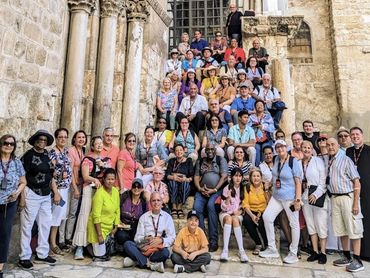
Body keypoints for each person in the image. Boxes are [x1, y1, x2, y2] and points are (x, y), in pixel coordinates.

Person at [19, 130, 58, 269]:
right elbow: (21, 177)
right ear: (35, 141)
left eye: (44, 140)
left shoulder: (48, 155)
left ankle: (42, 253)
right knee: (27, 226)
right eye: (39, 139)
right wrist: (22, 198)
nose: (42, 142)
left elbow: (51, 175)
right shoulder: (28, 156)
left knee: (45, 224)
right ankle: (24, 257)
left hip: (46, 194)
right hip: (31, 193)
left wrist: (55, 192)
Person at [259, 139, 302, 264]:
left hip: (290, 198)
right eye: (277, 147)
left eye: (281, 146)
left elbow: (298, 182)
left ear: (286, 147)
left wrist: (297, 200)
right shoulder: (277, 159)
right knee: (267, 217)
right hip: (277, 196)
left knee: (294, 224)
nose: (279, 149)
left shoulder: (293, 161)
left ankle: (293, 252)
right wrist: (270, 183)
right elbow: (276, 174)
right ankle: (272, 248)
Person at [326, 137, 364, 272]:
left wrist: (355, 204)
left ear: (338, 146)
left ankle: (358, 260)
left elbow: (357, 182)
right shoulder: (330, 161)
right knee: (341, 229)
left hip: (348, 198)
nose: (330, 147)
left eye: (333, 144)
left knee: (353, 229)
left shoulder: (346, 160)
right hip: (335, 199)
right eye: (328, 145)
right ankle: (347, 256)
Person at [73, 136, 111, 260]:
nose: (100, 145)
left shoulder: (107, 160)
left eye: (101, 143)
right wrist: (94, 179)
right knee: (84, 215)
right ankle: (79, 246)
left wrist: (103, 166)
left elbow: (110, 175)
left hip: (101, 191)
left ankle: (92, 244)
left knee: (97, 216)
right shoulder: (87, 159)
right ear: (93, 146)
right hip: (89, 189)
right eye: (97, 143)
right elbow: (85, 176)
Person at [123, 192, 176, 273]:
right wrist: (145, 238)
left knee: (165, 253)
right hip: (145, 248)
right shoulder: (143, 217)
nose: (156, 203)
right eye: (153, 200)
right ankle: (150, 264)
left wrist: (161, 240)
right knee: (128, 244)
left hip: (158, 249)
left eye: (158, 200)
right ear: (150, 203)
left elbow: (172, 238)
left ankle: (136, 261)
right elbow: (137, 238)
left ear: (162, 202)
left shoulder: (167, 217)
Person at [193, 143, 228, 252]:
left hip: (216, 191)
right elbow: (196, 176)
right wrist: (199, 188)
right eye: (207, 149)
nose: (210, 151)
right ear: (205, 150)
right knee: (196, 208)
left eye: (212, 149)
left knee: (210, 206)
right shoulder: (200, 161)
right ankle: (202, 240)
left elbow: (224, 176)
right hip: (202, 191)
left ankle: (213, 241)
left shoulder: (220, 160)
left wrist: (215, 189)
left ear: (215, 150)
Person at [0, 135, 26, 276]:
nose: (9, 146)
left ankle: (0, 267)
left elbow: (23, 182)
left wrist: (17, 193)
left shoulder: (16, 163)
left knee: (4, 235)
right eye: (6, 143)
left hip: (8, 205)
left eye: (12, 144)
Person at [300, 141, 328, 264]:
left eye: (308, 147)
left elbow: (323, 181)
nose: (306, 149)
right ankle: (315, 251)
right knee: (311, 225)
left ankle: (323, 252)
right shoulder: (298, 163)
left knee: (320, 224)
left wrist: (316, 194)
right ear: (301, 149)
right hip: (305, 198)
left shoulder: (318, 161)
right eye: (304, 147)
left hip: (317, 196)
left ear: (312, 150)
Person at [346, 127, 370, 262]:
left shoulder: (368, 150)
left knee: (367, 220)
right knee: (356, 221)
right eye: (353, 135)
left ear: (362, 135)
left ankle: (367, 252)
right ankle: (357, 252)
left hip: (367, 190)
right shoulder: (349, 151)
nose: (355, 136)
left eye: (357, 134)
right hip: (352, 190)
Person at [49, 128, 73, 256]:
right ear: (56, 138)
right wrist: (55, 192)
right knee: (55, 216)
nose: (63, 139)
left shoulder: (66, 151)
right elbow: (51, 175)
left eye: (65, 137)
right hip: (57, 190)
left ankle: (54, 242)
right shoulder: (53, 153)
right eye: (60, 137)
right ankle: (52, 244)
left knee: (60, 216)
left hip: (66, 189)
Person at [87, 168, 120, 260]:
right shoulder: (99, 194)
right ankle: (88, 247)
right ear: (104, 180)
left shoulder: (116, 191)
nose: (110, 181)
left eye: (112, 179)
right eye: (108, 179)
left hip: (109, 227)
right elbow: (96, 216)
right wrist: (99, 235)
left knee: (110, 253)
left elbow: (117, 209)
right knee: (100, 256)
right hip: (98, 228)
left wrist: (116, 226)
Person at [219, 168, 248, 262]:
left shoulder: (244, 188)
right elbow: (223, 208)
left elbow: (246, 204)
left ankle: (241, 251)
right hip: (225, 213)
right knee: (228, 219)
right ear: (231, 177)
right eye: (236, 176)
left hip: (237, 214)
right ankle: (225, 250)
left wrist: (240, 212)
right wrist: (228, 198)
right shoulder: (227, 188)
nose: (238, 178)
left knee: (235, 219)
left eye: (240, 176)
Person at [64, 130, 86, 248]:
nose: (81, 139)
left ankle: (69, 236)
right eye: (79, 137)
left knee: (74, 212)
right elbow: (70, 170)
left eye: (83, 137)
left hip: (80, 185)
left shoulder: (83, 151)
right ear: (74, 139)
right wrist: (75, 188)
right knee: (69, 212)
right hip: (73, 185)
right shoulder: (71, 151)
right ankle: (64, 238)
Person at [242, 168, 269, 255]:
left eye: (258, 176)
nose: (256, 178)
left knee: (261, 223)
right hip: (251, 211)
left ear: (261, 177)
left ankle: (267, 244)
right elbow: (245, 204)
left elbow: (269, 202)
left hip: (263, 210)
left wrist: (266, 190)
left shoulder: (265, 186)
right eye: (254, 176)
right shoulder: (247, 187)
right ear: (250, 178)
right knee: (246, 220)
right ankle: (258, 243)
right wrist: (252, 216)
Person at [116, 178, 148, 246]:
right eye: (134, 186)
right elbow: (116, 210)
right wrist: (119, 221)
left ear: (142, 189)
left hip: (136, 228)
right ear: (131, 187)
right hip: (123, 227)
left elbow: (146, 217)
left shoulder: (143, 202)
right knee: (121, 236)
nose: (136, 188)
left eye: (139, 186)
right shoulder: (124, 197)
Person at [166, 144, 194, 219]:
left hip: (184, 181)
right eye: (177, 150)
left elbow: (192, 176)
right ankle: (174, 207)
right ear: (174, 152)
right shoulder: (172, 161)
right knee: (172, 183)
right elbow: (167, 174)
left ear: (184, 151)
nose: (179, 152)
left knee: (185, 184)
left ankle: (180, 207)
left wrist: (187, 179)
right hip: (174, 180)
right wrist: (173, 177)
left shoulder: (189, 160)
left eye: (180, 150)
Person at [248, 100, 275, 166]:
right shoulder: (251, 117)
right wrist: (255, 127)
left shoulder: (268, 116)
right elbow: (248, 128)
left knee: (265, 148)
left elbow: (272, 128)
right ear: (255, 107)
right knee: (256, 149)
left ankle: (265, 167)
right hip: (255, 139)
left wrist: (263, 126)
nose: (259, 106)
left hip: (266, 138)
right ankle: (257, 167)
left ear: (264, 107)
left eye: (261, 105)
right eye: (257, 105)